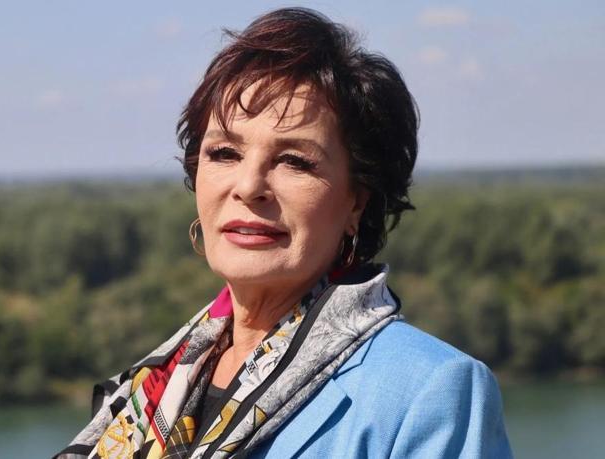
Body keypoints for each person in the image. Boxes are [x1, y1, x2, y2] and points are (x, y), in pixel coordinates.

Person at [56, 7, 512, 459]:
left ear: (357, 199)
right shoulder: (156, 385)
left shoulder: (429, 391)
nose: (249, 187)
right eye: (225, 153)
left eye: (295, 161)